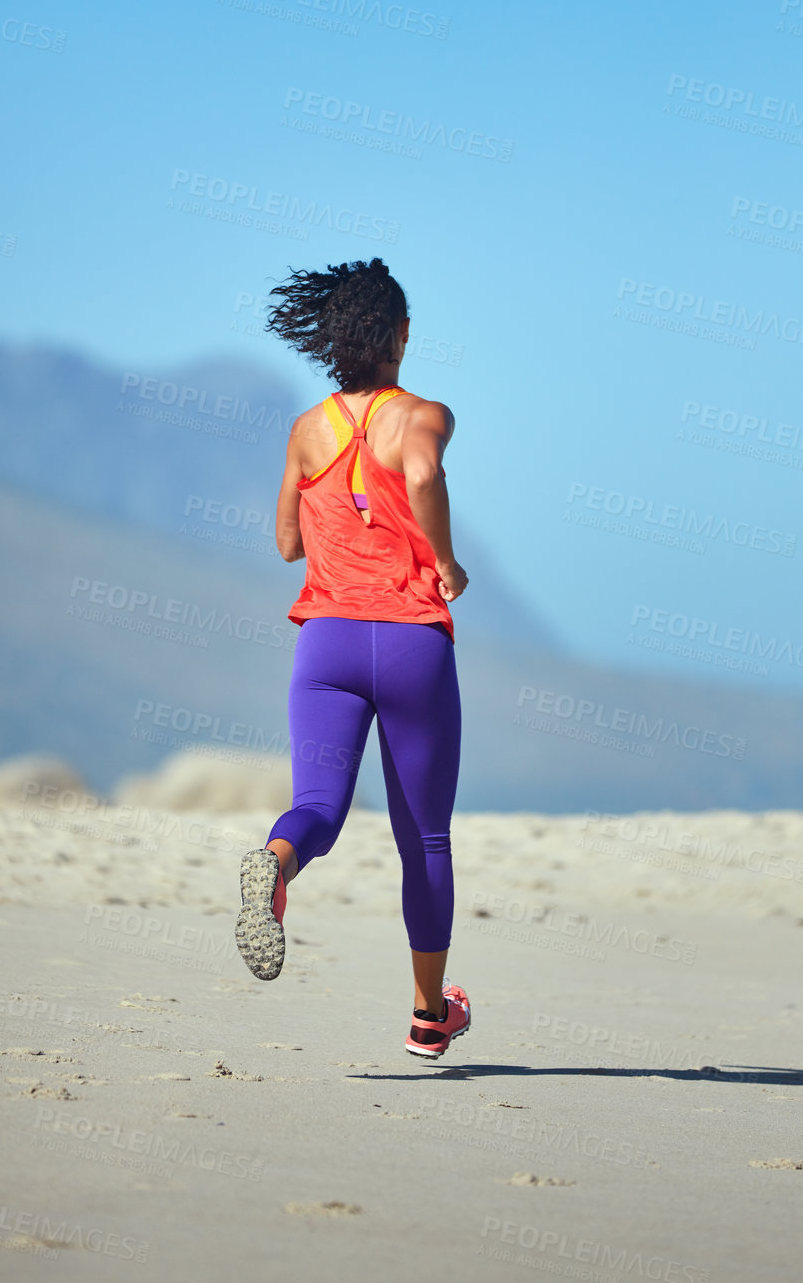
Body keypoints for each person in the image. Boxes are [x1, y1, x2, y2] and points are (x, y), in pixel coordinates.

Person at [233, 257, 471, 1059]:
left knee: (320, 809)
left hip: (327, 645)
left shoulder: (307, 430)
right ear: (402, 336)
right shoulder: (423, 416)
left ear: (334, 340)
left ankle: (275, 862)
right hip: (409, 643)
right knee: (425, 840)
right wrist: (443, 559)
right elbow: (424, 471)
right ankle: (428, 1016)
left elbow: (286, 541)